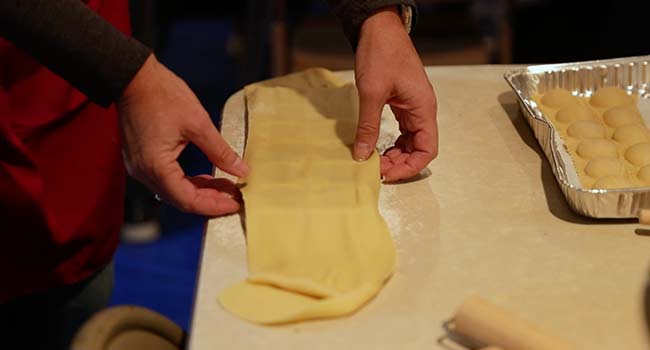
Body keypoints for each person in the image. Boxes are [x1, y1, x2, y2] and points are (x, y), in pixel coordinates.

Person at [0, 0, 437, 348]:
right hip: (36, 64)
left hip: (65, 95)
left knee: (76, 293)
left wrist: (375, 13)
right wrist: (126, 74)